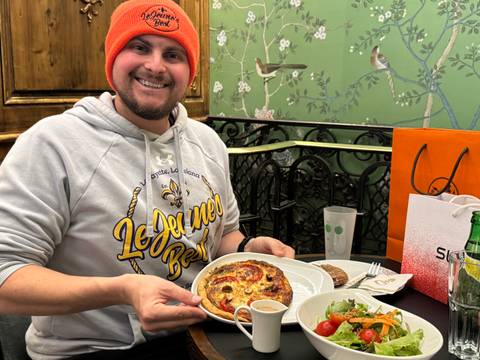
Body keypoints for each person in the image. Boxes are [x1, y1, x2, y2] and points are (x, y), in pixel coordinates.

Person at [0, 0, 295, 359]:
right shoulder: (52, 143)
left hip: (203, 332)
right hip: (90, 349)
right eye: (139, 47)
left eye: (173, 54)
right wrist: (122, 290)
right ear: (112, 59)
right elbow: (5, 278)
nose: (155, 66)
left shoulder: (207, 142)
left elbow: (221, 239)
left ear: (191, 72)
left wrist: (248, 248)